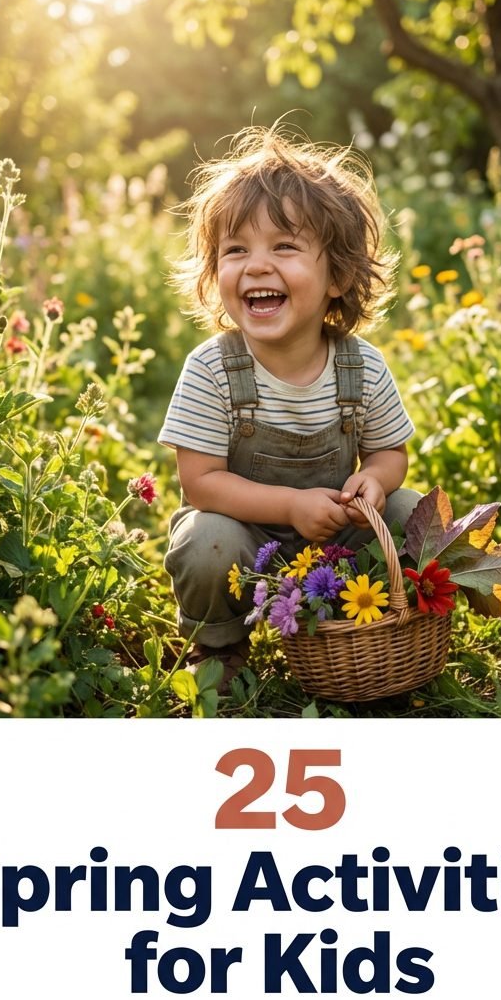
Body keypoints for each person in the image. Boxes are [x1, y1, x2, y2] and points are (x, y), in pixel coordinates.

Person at [159, 125, 420, 682]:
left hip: (337, 543)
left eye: (284, 246)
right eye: (235, 250)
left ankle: (375, 626)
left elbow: (390, 454)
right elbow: (201, 484)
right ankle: (220, 649)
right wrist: (290, 506)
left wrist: (375, 481)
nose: (256, 265)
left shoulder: (362, 366)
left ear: (338, 275)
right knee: (205, 541)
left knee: (410, 512)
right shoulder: (212, 369)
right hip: (244, 541)